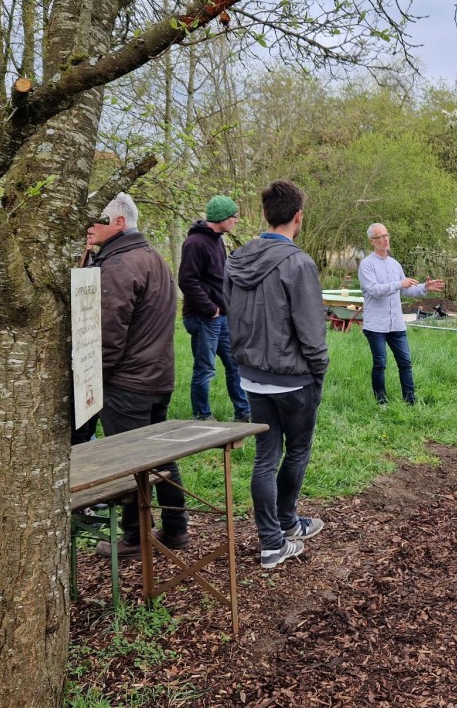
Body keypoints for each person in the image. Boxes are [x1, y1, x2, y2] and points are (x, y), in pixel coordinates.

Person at [226, 181, 330, 569]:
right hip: (292, 377)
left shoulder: (236, 258)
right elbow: (311, 330)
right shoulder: (298, 263)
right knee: (297, 449)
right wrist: (319, 371)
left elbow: (229, 311)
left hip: (252, 375)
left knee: (265, 459)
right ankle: (279, 533)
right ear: (298, 217)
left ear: (265, 215)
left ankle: (277, 536)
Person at [89, 193, 187, 559]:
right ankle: (175, 530)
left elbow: (107, 335)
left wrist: (93, 381)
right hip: (157, 376)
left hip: (128, 382)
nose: (88, 226)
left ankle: (135, 537)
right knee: (161, 457)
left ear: (118, 223)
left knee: (129, 462)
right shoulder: (150, 258)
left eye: (96, 219)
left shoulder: (120, 266)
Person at [178, 195, 250, 423]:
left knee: (234, 363)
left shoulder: (217, 240)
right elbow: (187, 281)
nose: (236, 221)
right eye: (234, 217)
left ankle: (243, 411)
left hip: (221, 316)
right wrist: (210, 309)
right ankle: (202, 415)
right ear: (221, 218)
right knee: (205, 368)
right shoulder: (195, 243)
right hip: (203, 317)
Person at [358, 223, 444, 405]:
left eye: (386, 235)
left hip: (396, 323)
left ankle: (410, 401)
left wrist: (424, 288)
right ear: (372, 241)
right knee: (380, 364)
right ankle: (381, 402)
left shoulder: (395, 264)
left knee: (405, 363)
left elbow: (406, 290)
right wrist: (399, 284)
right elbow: (373, 290)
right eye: (380, 237)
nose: (385, 239)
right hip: (376, 325)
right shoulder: (367, 265)